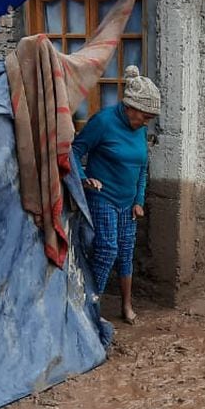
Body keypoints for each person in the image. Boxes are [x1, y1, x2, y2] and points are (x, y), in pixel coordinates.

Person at [72, 64, 160, 324]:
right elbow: (75, 151)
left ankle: (126, 305)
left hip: (127, 203)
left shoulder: (139, 129)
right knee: (107, 250)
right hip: (103, 197)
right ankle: (90, 307)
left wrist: (139, 200)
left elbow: (142, 167)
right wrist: (84, 178)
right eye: (144, 116)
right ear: (130, 107)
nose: (147, 123)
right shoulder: (103, 121)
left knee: (126, 253)